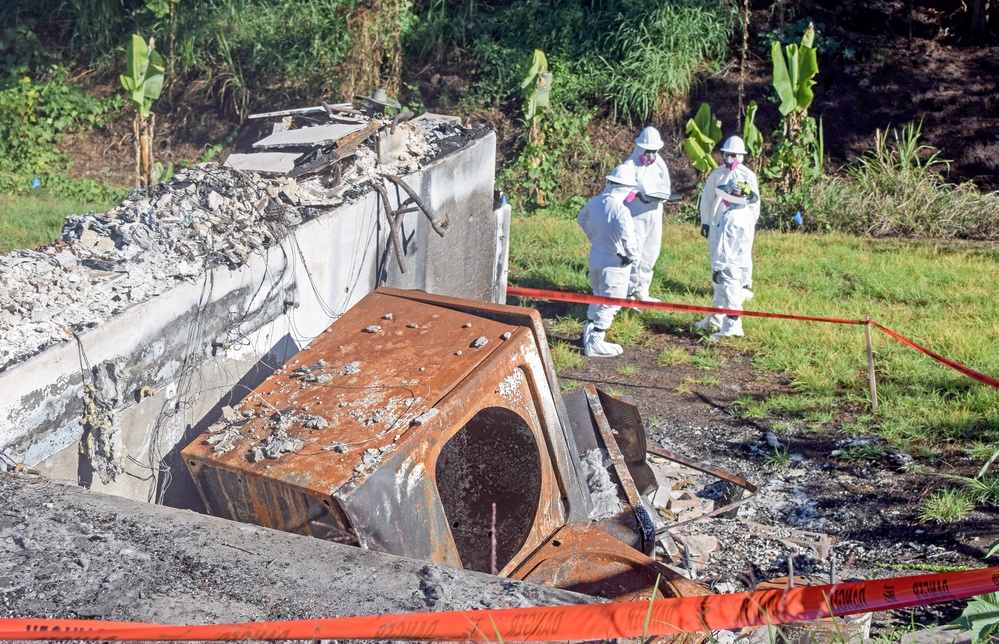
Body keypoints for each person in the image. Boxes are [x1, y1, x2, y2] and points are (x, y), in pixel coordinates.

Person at [695, 135, 761, 339]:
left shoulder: (747, 176)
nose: (728, 158)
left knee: (729, 277)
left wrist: (718, 268)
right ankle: (716, 317)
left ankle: (731, 324)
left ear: (740, 156)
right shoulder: (717, 174)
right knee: (722, 273)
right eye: (726, 154)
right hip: (718, 224)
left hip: (735, 229)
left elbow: (754, 205)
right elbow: (707, 198)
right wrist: (706, 222)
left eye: (732, 155)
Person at [577, 164, 640, 357]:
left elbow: (581, 218)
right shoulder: (621, 210)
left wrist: (594, 237)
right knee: (611, 301)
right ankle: (596, 342)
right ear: (625, 188)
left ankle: (589, 333)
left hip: (596, 257)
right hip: (614, 263)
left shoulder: (595, 202)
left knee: (597, 295)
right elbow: (629, 240)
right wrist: (632, 257)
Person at [621, 126, 672, 304]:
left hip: (654, 214)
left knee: (650, 252)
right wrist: (636, 195)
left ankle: (642, 290)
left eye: (654, 151)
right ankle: (628, 294)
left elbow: (665, 187)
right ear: (640, 148)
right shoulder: (630, 166)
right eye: (648, 151)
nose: (651, 155)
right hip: (636, 216)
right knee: (634, 253)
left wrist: (661, 197)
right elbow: (619, 191)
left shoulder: (659, 163)